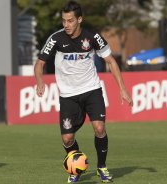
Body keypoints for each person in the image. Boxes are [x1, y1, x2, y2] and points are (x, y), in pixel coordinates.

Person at [34, 1, 133, 183]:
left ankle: (101, 167)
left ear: (79, 19)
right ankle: (76, 167)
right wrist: (40, 81)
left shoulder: (93, 37)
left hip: (91, 90)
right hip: (68, 95)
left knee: (99, 128)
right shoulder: (55, 38)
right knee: (67, 138)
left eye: (70, 21)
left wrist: (123, 89)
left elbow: (111, 61)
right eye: (64, 21)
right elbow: (39, 63)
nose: (66, 25)